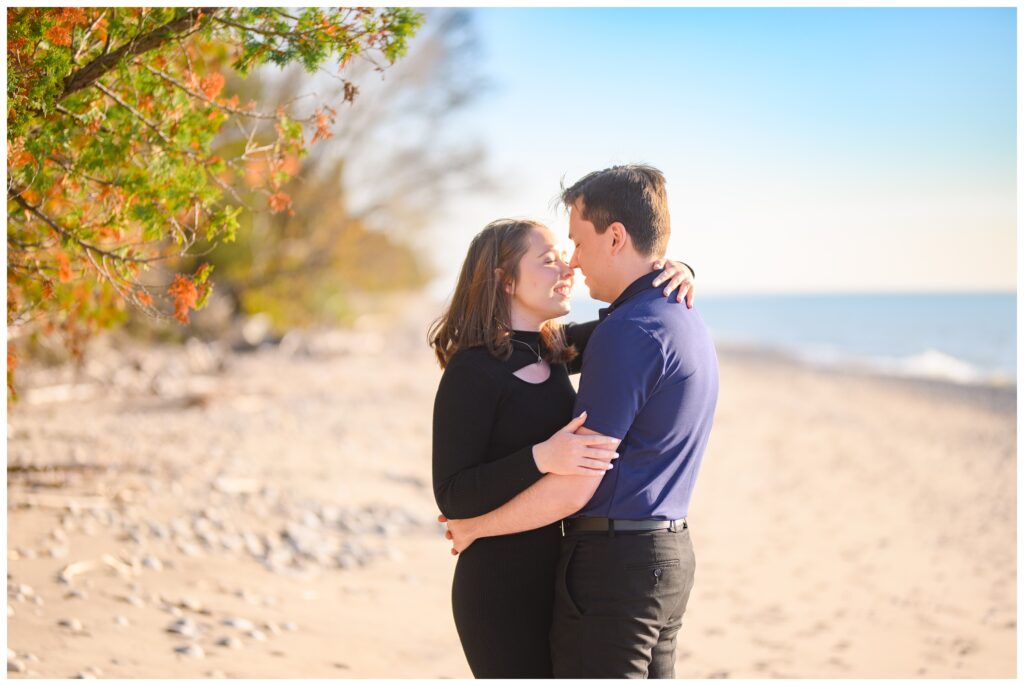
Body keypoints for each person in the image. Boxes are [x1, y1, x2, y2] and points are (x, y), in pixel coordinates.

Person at [442, 165, 720, 678]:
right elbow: (452, 491)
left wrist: (680, 268)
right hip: (514, 581)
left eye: (572, 246)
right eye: (551, 258)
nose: (570, 263)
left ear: (615, 236)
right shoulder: (477, 368)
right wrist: (539, 458)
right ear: (505, 279)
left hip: (590, 569)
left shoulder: (575, 344)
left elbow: (574, 487)